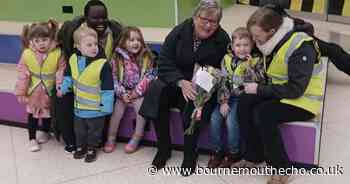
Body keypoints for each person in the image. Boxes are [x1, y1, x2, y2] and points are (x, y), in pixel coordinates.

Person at [139, 0, 230, 176]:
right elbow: (164, 61)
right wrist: (180, 81)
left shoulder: (222, 39)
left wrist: (199, 89)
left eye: (214, 21)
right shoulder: (179, 31)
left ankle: (190, 153)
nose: (209, 25)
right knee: (157, 90)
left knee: (193, 102)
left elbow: (220, 70)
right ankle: (163, 148)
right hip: (176, 80)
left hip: (203, 86)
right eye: (204, 19)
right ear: (195, 17)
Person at [236, 5, 324, 184]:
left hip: (303, 101)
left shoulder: (301, 45)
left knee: (264, 113)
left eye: (256, 36)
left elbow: (295, 89)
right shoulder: (270, 42)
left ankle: (281, 167)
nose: (254, 40)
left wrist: (259, 89)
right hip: (280, 93)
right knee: (245, 101)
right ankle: (253, 156)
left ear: (272, 31)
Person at [55, 0, 122, 153]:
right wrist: (62, 77)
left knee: (103, 106)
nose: (101, 21)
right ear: (85, 18)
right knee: (61, 96)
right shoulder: (74, 32)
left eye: (104, 17)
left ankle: (95, 141)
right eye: (95, 18)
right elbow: (61, 51)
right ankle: (71, 140)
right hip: (79, 80)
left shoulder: (115, 32)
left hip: (106, 80)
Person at [208, 27, 265, 168]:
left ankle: (234, 153)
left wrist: (250, 67)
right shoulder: (226, 59)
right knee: (214, 119)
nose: (242, 49)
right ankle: (217, 151)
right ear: (232, 47)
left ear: (252, 45)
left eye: (246, 45)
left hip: (243, 98)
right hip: (227, 98)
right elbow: (222, 81)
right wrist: (224, 101)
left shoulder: (256, 60)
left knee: (231, 121)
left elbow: (260, 80)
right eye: (238, 45)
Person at [57, 26, 114, 163]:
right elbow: (68, 77)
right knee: (80, 131)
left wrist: (106, 107)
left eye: (95, 44)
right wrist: (63, 88)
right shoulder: (72, 60)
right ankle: (81, 147)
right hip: (79, 108)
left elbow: (108, 88)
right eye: (89, 45)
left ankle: (92, 148)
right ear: (78, 46)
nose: (94, 47)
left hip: (96, 110)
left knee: (94, 132)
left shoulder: (103, 64)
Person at [103, 26, 156, 154]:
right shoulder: (116, 58)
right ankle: (111, 137)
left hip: (139, 92)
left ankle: (137, 137)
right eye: (131, 40)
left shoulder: (147, 57)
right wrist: (122, 93)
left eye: (138, 40)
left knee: (140, 111)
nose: (135, 43)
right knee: (116, 112)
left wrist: (136, 92)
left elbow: (149, 76)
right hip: (123, 92)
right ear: (123, 42)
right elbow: (113, 78)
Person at [14, 19, 65, 152]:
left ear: (50, 38)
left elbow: (61, 71)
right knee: (32, 115)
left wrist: (60, 86)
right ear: (32, 41)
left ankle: (46, 132)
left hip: (49, 90)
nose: (41, 43)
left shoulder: (57, 53)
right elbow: (22, 72)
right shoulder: (27, 54)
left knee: (48, 114)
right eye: (37, 41)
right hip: (34, 92)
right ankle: (32, 138)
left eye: (44, 39)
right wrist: (21, 91)